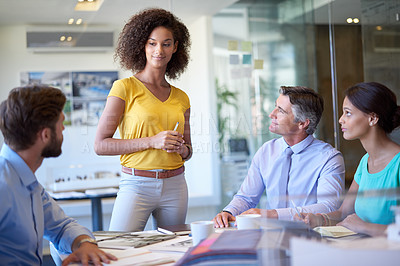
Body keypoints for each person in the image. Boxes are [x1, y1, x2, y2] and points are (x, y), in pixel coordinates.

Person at [94, 8, 192, 232]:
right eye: (152, 43)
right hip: (136, 185)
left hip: (176, 185)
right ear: (142, 45)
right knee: (121, 250)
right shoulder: (124, 88)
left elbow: (189, 150)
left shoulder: (181, 97)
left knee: (172, 251)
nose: (159, 50)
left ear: (175, 47)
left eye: (166, 43)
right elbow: (100, 145)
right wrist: (152, 141)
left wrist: (182, 149)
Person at [0, 85, 117, 265]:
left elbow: (61, 226)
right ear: (46, 135)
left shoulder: (28, 183)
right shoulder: (4, 186)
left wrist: (85, 243)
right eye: (61, 124)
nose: (63, 130)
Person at [213, 86, 345, 228]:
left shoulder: (329, 158)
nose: (271, 114)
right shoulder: (266, 151)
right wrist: (228, 211)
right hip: (270, 236)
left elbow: (329, 207)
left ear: (302, 123)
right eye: (275, 107)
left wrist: (273, 215)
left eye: (280, 111)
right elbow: (246, 198)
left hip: (310, 236)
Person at [300, 82, 400, 236]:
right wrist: (318, 219)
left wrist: (364, 226)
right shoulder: (365, 162)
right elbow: (344, 212)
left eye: (348, 113)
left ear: (372, 118)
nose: (341, 119)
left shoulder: (397, 163)